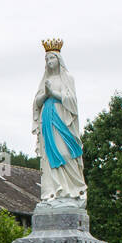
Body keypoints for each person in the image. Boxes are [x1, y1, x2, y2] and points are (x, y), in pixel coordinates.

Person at [31, 40, 87, 203]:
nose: (49, 62)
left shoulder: (67, 78)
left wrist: (54, 93)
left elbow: (72, 101)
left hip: (62, 118)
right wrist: (46, 94)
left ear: (59, 60)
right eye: (47, 60)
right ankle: (54, 191)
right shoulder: (45, 80)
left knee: (65, 152)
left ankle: (74, 188)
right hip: (47, 117)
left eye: (52, 59)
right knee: (50, 155)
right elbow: (37, 102)